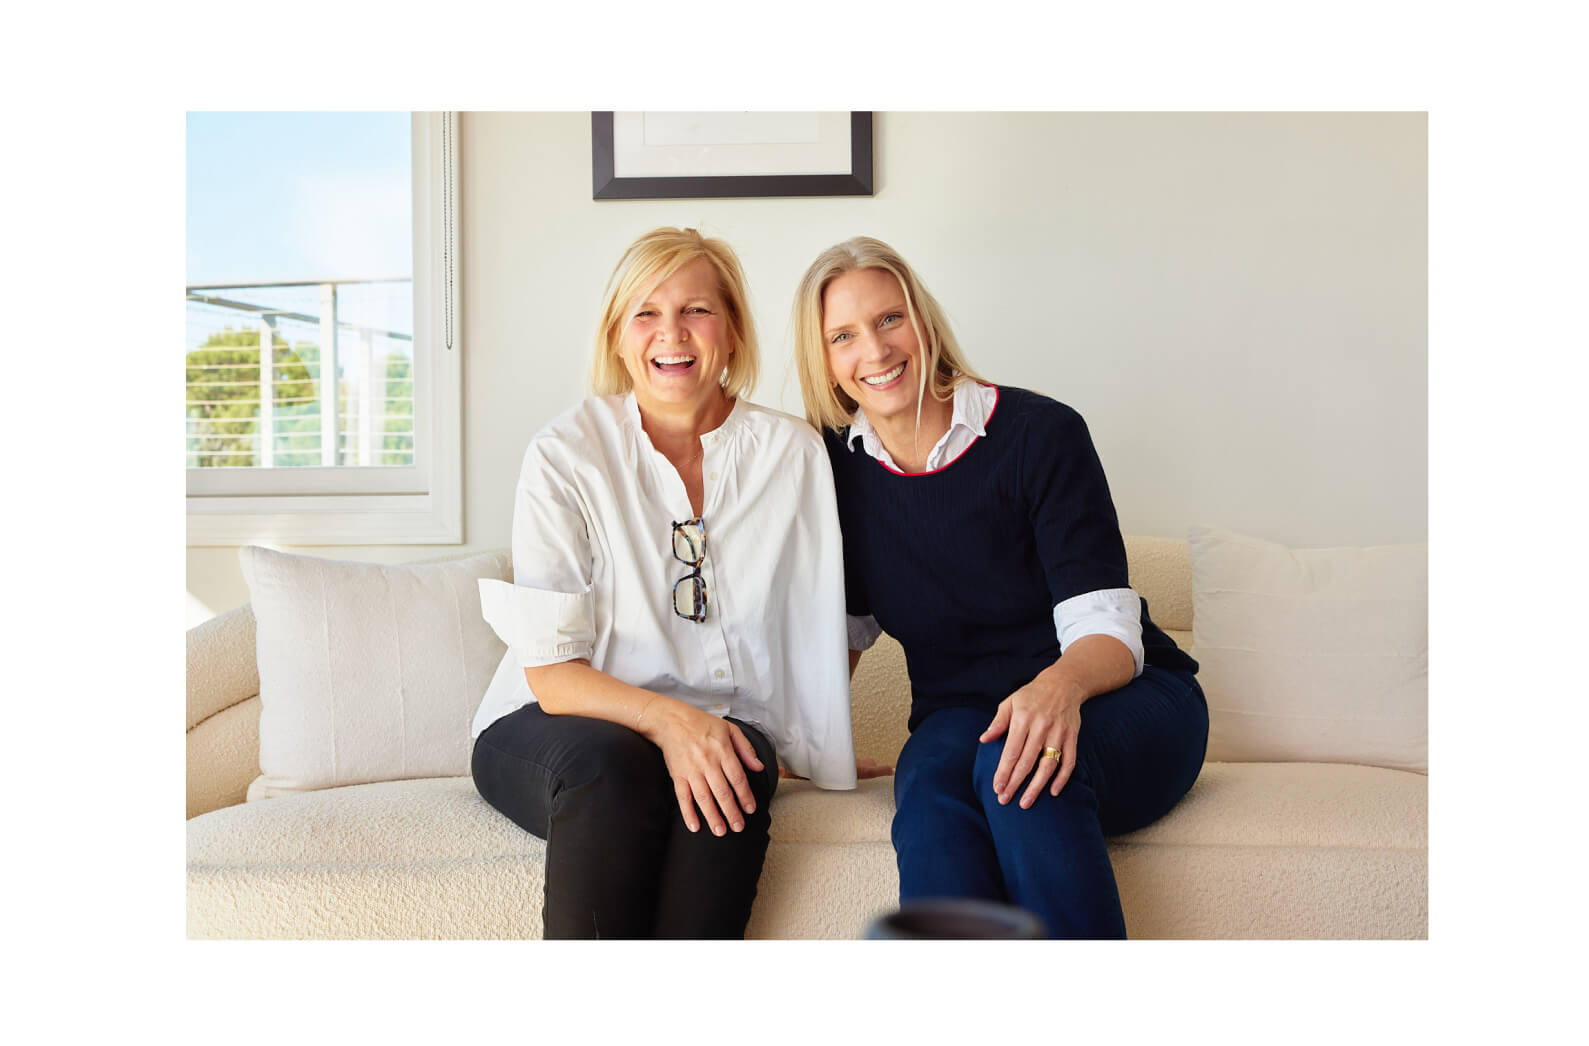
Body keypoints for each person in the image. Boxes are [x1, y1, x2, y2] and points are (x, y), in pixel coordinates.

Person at [791, 236, 1209, 939]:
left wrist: (1054, 691)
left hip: (1122, 696)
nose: (875, 349)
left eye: (890, 319)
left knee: (1019, 770)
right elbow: (842, 634)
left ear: (923, 322)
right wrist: (783, 746)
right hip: (958, 714)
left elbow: (1107, 631)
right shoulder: (833, 470)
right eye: (843, 335)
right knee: (925, 787)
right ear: (825, 361)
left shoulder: (1038, 434)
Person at [470, 227, 860, 939]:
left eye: (697, 311)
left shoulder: (793, 453)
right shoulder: (566, 454)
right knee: (618, 766)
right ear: (617, 337)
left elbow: (822, 612)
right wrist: (674, 722)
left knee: (735, 763)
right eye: (644, 313)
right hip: (555, 725)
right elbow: (554, 676)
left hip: (722, 723)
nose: (670, 334)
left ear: (733, 330)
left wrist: (809, 743)